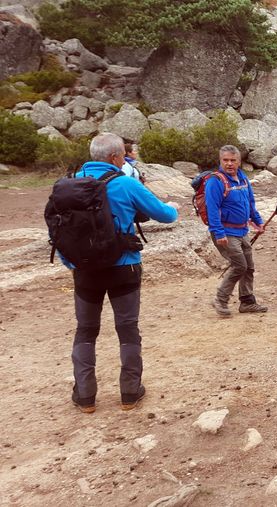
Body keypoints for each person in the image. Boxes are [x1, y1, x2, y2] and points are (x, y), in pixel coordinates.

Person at [66, 133, 178, 413]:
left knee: (86, 330)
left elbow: (57, 230)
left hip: (85, 270)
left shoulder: (68, 185)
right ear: (115, 157)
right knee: (127, 329)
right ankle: (129, 392)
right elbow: (165, 215)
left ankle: (85, 396)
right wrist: (173, 208)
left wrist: (72, 263)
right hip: (123, 266)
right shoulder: (125, 183)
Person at [207, 145, 268, 317]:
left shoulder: (243, 179)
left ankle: (247, 302)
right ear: (220, 161)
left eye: (233, 160)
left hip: (242, 230)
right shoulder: (215, 181)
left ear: (239, 162)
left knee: (249, 267)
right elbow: (212, 209)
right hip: (225, 232)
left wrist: (258, 222)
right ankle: (220, 300)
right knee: (240, 266)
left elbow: (250, 202)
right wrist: (219, 233)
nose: (229, 164)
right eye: (225, 160)